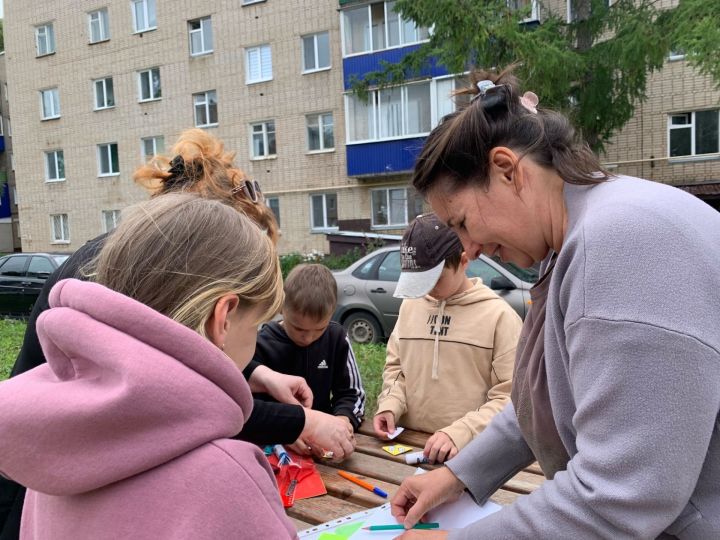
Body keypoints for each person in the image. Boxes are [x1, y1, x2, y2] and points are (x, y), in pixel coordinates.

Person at [389, 66, 720, 539]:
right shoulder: (577, 239)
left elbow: (621, 496)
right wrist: (458, 474)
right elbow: (551, 397)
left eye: (462, 222)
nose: (469, 249)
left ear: (506, 170)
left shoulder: (624, 244)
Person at [0, 129, 354, 540]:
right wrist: (297, 421)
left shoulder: (62, 464)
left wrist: (258, 374)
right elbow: (178, 403)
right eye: (255, 323)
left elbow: (159, 362)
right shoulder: (225, 478)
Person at [373, 213, 521, 464]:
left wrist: (461, 433)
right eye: (417, 281)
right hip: (410, 448)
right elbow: (397, 368)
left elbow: (511, 398)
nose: (426, 290)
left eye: (435, 279)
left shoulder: (499, 316)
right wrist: (390, 404)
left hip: (472, 454)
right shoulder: (411, 307)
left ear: (463, 261)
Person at [251, 263, 365, 458]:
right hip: (279, 450)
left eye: (319, 329)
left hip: (326, 444)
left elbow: (352, 393)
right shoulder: (260, 344)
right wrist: (285, 431)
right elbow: (252, 408)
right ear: (282, 308)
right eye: (298, 328)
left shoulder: (337, 337)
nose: (308, 338)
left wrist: (343, 421)